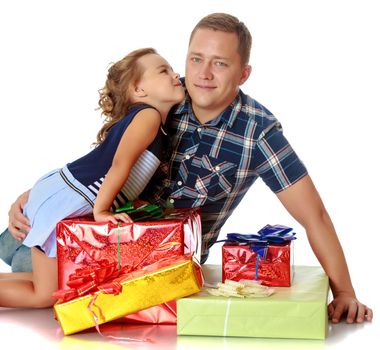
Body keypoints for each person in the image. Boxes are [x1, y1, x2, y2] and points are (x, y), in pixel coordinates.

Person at [2, 13, 372, 323]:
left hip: (155, 269)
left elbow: (315, 216)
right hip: (91, 241)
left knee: (47, 293)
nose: (203, 73)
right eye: (195, 59)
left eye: (220, 63)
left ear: (243, 74)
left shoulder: (257, 132)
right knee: (29, 268)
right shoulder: (167, 98)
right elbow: (106, 158)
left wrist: (344, 292)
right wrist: (30, 198)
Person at [0, 47, 185, 308]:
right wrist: (102, 210)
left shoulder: (146, 119)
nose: (176, 74)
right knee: (44, 294)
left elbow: (127, 172)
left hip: (66, 189)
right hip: (73, 196)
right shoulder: (149, 115)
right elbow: (120, 164)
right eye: (163, 70)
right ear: (139, 90)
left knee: (42, 283)